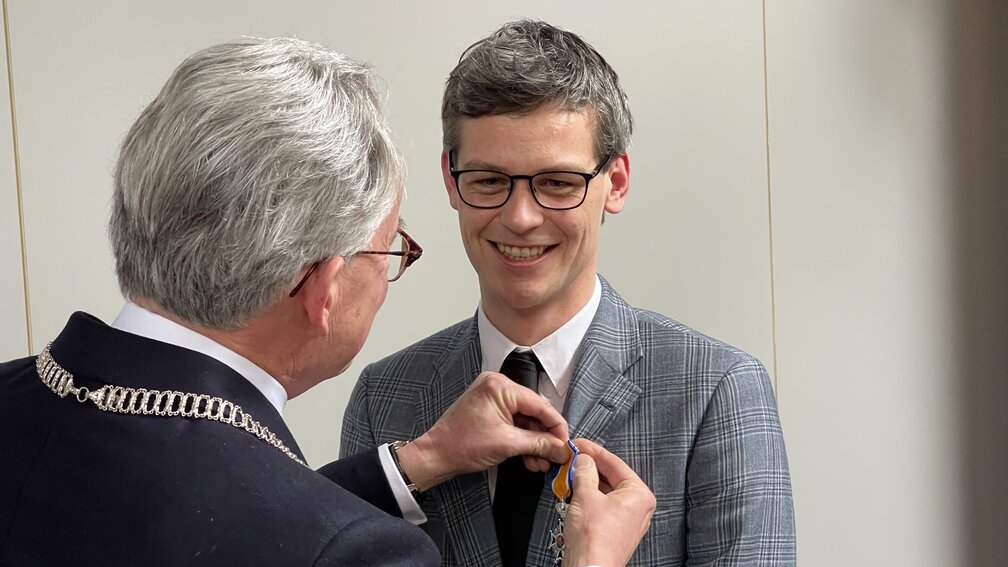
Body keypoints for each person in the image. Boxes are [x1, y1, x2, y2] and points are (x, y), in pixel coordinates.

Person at [0, 37, 654, 566]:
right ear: (324, 287)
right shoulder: (359, 548)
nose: (520, 216)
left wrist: (417, 460)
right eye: (390, 246)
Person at [341, 20, 796, 566]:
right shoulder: (383, 397)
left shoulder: (716, 393)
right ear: (450, 180)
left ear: (616, 183)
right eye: (488, 180)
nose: (520, 217)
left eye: (557, 183)